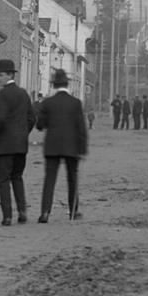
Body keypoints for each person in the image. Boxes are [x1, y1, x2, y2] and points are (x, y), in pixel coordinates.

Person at [36, 68, 88, 223]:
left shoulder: (47, 103)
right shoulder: (76, 103)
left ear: (54, 85)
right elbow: (81, 127)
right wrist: (82, 148)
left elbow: (40, 125)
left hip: (52, 145)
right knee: (72, 178)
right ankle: (73, 211)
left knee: (50, 179)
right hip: (72, 146)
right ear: (67, 84)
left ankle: (45, 212)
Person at [0, 58, 35, 226]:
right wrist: (23, 133)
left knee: (3, 180)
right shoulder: (23, 93)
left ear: (10, 75)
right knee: (17, 177)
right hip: (21, 144)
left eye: (1, 75)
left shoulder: (4, 94)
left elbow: (1, 119)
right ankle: (22, 212)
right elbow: (32, 118)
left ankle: (7, 216)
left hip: (5, 144)